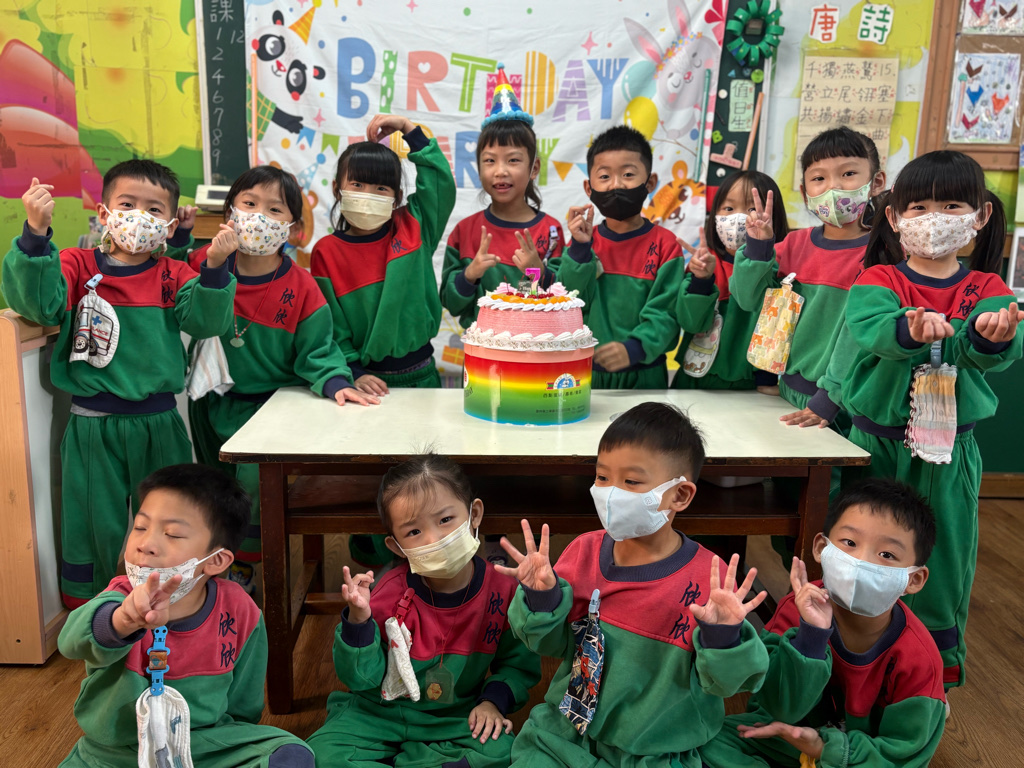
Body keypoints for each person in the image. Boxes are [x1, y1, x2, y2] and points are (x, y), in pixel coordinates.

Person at [3, 162, 236, 608]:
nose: (139, 216)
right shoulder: (76, 264)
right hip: (92, 424)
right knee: (94, 519)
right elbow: (39, 305)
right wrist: (35, 233)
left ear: (169, 225)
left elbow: (207, 322)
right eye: (127, 204)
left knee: (173, 518)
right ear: (104, 212)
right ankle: (96, 610)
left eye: (154, 209)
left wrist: (214, 267)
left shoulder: (173, 274)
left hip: (159, 422)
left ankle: (173, 602)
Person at [831, 150, 1022, 689]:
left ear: (981, 215)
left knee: (944, 557)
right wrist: (908, 331)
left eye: (952, 205)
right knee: (861, 551)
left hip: (948, 452)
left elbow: (993, 350)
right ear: (894, 217)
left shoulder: (987, 288)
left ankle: (931, 668)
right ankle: (842, 652)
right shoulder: (878, 279)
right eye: (918, 207)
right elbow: (870, 328)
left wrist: (991, 336)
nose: (934, 217)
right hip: (877, 445)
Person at [498, 402, 769, 768]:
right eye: (602, 477)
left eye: (631, 482)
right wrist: (541, 598)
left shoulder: (712, 580)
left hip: (656, 749)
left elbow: (726, 685)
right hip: (566, 734)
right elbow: (551, 645)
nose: (611, 493)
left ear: (680, 495)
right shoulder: (583, 551)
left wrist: (723, 638)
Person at [185, 166, 377, 587]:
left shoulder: (302, 287)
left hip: (269, 411)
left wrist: (337, 382)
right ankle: (217, 561)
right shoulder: (205, 263)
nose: (259, 216)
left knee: (252, 493)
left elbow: (318, 350)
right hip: (211, 403)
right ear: (230, 212)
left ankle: (244, 567)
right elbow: (187, 305)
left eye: (274, 210)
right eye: (249, 203)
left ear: (292, 227)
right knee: (215, 488)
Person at [57, 464, 314, 768]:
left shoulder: (240, 610)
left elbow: (244, 705)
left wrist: (231, 742)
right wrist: (124, 620)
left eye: (172, 534)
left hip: (205, 744)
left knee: (291, 753)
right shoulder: (119, 598)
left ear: (216, 560)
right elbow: (71, 642)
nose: (146, 544)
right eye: (140, 527)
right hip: (115, 753)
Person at [306, 454, 541, 768]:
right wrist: (359, 622)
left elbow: (517, 664)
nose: (435, 539)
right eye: (414, 532)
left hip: (454, 716)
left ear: (474, 514)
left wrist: (492, 702)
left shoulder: (503, 591)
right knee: (324, 753)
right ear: (396, 547)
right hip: (377, 714)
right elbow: (361, 679)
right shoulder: (387, 593)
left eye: (445, 520)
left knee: (501, 750)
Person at [700, 478, 946, 767]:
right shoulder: (796, 608)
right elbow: (777, 706)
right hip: (783, 739)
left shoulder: (919, 657)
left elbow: (904, 753)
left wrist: (824, 749)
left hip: (851, 759)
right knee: (703, 741)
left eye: (887, 555)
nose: (861, 562)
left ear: (913, 579)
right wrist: (811, 636)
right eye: (850, 543)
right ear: (821, 547)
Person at [310, 112, 456, 570]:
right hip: (369, 386)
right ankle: (374, 568)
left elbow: (441, 184)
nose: (369, 195)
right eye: (358, 184)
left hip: (422, 376)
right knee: (373, 479)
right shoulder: (326, 252)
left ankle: (430, 561)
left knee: (426, 475)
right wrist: (353, 370)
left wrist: (409, 129)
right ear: (338, 188)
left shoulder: (414, 228)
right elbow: (330, 325)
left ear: (396, 196)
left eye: (381, 187)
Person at [730, 127, 885, 429]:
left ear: (876, 182)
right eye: (819, 178)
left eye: (848, 173)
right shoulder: (793, 246)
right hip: (791, 394)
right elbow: (747, 299)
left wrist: (829, 398)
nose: (833, 187)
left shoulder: (883, 253)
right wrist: (758, 247)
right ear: (804, 193)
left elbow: (866, 338)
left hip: (849, 403)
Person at [553, 126, 683, 389]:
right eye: (604, 176)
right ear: (589, 188)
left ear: (650, 183)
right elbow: (566, 300)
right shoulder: (581, 243)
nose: (616, 185)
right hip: (585, 375)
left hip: (644, 375)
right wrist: (579, 250)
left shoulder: (666, 245)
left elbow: (667, 312)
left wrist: (635, 348)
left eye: (628, 174)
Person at [441, 65, 565, 328]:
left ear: (534, 168)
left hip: (535, 346)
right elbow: (452, 304)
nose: (500, 171)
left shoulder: (551, 231)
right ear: (479, 168)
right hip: (480, 349)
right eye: (490, 160)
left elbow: (564, 299)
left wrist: (536, 271)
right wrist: (470, 274)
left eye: (513, 160)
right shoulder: (465, 232)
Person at [674, 171, 789, 392]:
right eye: (728, 208)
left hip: (750, 386)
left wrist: (766, 378)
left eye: (752, 209)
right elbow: (691, 324)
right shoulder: (705, 264)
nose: (739, 218)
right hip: (693, 379)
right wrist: (701, 281)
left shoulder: (778, 270)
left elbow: (776, 329)